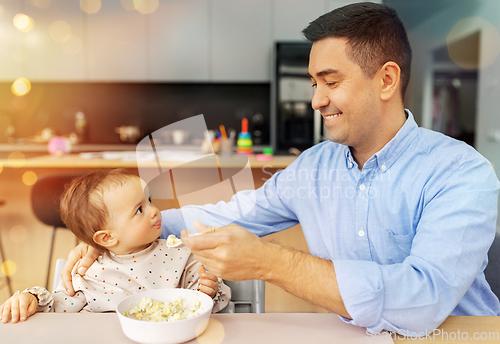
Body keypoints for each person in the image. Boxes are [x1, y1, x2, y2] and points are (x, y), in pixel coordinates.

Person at [60, 2, 499, 336]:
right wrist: (137, 233)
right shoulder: (313, 167)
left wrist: (272, 263)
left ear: (386, 80)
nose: (315, 101)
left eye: (331, 82)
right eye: (314, 84)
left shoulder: (462, 173)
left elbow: (422, 301)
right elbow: (236, 212)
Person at [0, 169, 230, 324]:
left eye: (149, 201)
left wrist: (207, 290)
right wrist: (31, 299)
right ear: (107, 238)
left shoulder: (181, 253)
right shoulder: (89, 273)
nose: (155, 211)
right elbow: (57, 310)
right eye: (139, 210)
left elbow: (203, 302)